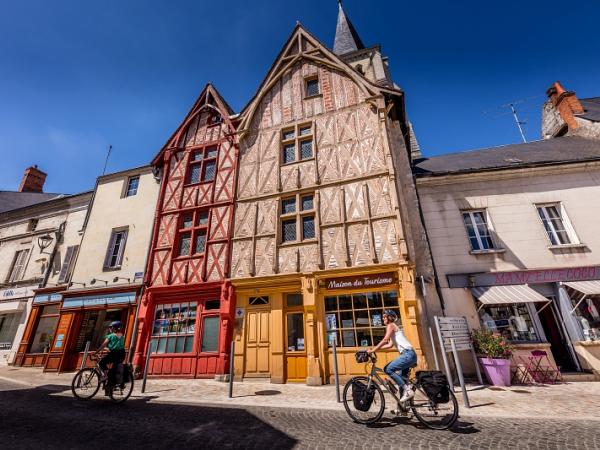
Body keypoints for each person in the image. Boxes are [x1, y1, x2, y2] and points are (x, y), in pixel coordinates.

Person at [368, 310, 417, 403]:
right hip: (410, 355)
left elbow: (385, 340)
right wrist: (375, 349)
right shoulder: (394, 327)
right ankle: (403, 407)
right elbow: (389, 345)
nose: (383, 319)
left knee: (388, 369)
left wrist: (373, 350)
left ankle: (407, 390)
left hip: (407, 354)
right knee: (402, 379)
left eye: (384, 317)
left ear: (389, 317)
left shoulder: (390, 325)